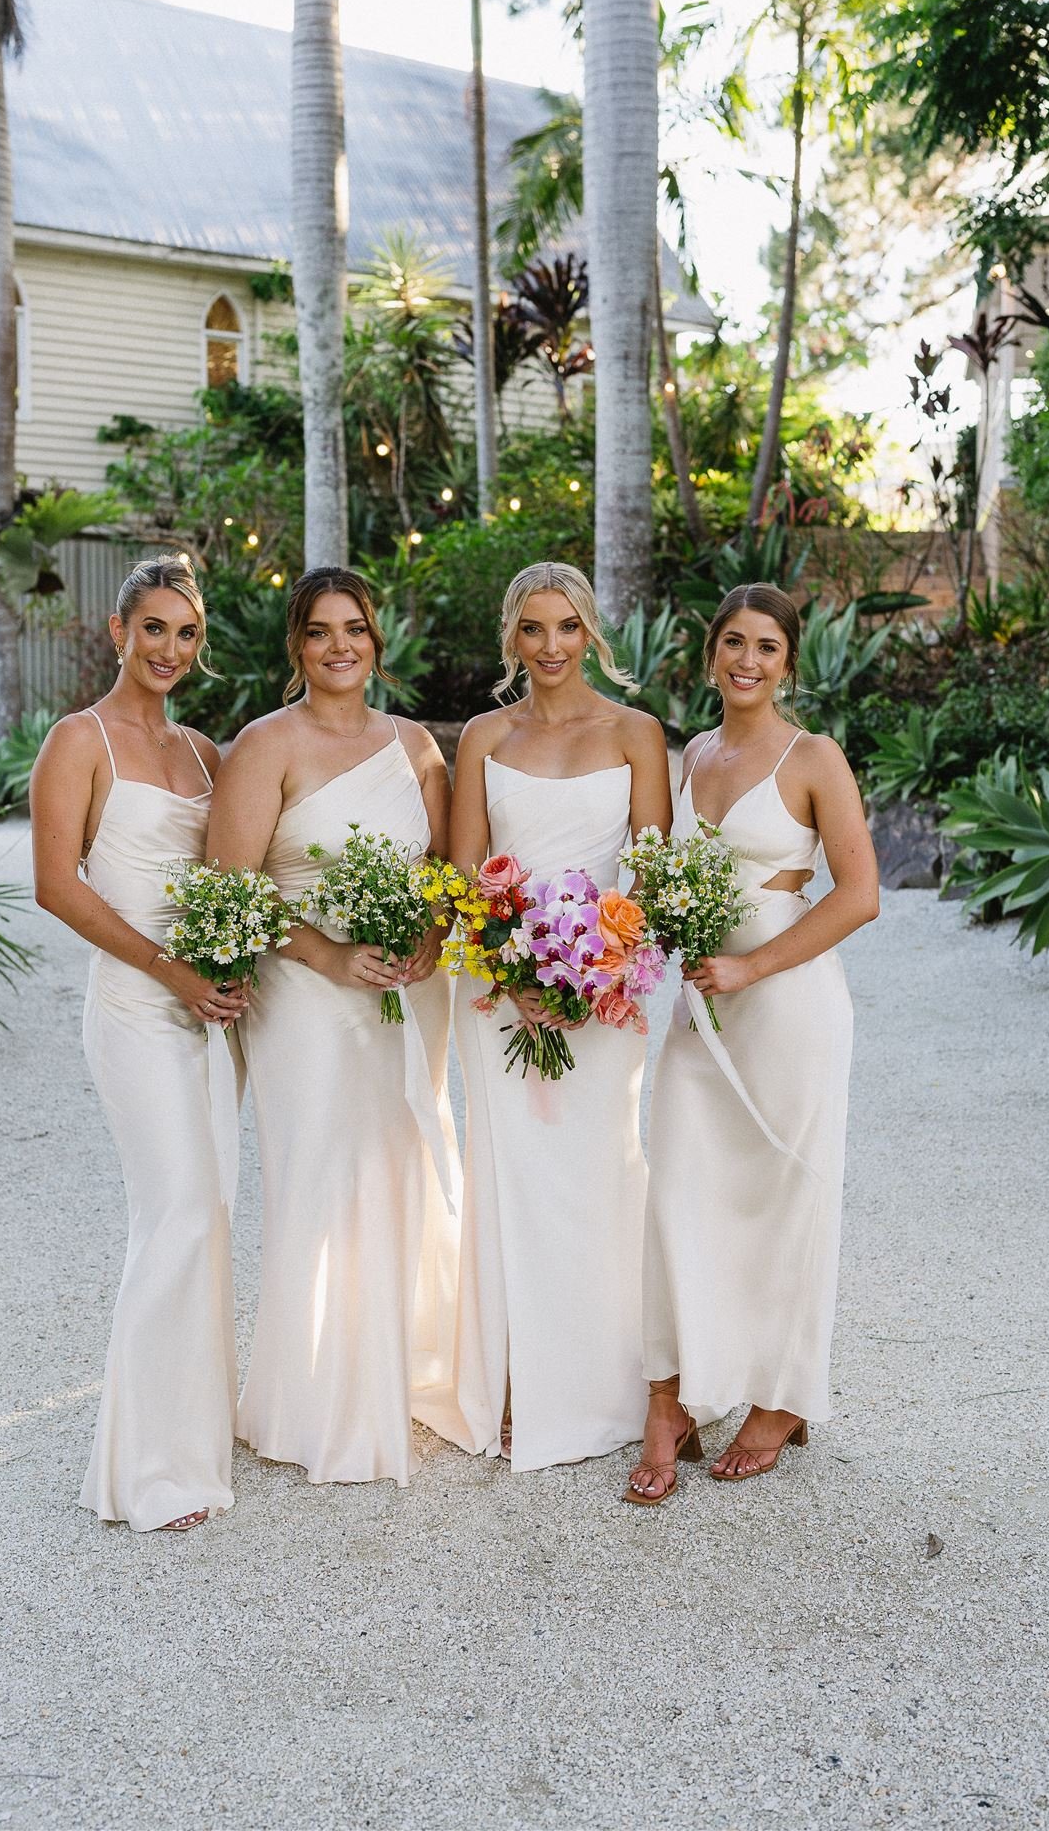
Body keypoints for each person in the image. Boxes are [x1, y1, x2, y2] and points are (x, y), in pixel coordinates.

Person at [206, 567, 460, 1487]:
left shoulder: (417, 746)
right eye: (320, 632)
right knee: (316, 1174)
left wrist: (427, 941)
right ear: (296, 647)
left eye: (354, 628)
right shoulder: (263, 745)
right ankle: (311, 1400)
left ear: (376, 641)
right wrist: (329, 954)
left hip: (401, 993)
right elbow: (232, 886)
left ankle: (394, 1372)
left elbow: (444, 872)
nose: (340, 645)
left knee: (399, 1165)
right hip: (304, 989)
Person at [627, 582, 879, 1505]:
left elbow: (858, 895)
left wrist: (753, 967)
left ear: (788, 663)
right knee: (682, 1192)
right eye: (732, 642)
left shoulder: (813, 757)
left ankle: (778, 1400)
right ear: (710, 654)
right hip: (701, 1013)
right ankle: (677, 1394)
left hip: (790, 1009)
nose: (746, 661)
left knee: (787, 1196)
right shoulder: (690, 754)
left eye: (765, 648)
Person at [440, 560, 673, 1471]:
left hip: (604, 992)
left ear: (590, 633)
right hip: (499, 992)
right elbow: (465, 873)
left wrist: (588, 970)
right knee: (511, 1178)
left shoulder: (637, 733)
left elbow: (647, 879)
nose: (549, 647)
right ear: (511, 638)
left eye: (565, 628)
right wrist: (513, 968)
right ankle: (512, 1382)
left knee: (599, 1173)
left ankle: (605, 1384)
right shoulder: (482, 738)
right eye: (531, 629)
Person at [30, 556, 244, 1533]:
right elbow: (59, 885)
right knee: (180, 1212)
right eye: (153, 628)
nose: (169, 648)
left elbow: (238, 873)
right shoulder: (79, 740)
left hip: (205, 1005)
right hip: (135, 1002)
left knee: (212, 1209)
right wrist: (172, 969)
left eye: (186, 632)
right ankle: (144, 1471)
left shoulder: (204, 751)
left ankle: (189, 1433)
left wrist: (231, 960)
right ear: (119, 632)